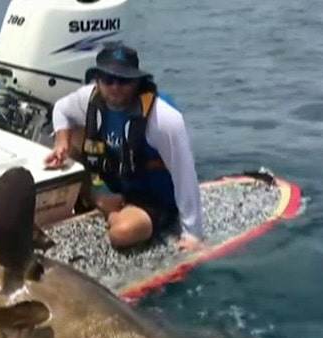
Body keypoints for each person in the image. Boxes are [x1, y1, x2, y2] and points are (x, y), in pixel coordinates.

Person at [44, 44, 205, 250]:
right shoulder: (90, 97)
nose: (115, 87)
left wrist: (193, 234)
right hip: (116, 183)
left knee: (120, 234)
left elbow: (185, 174)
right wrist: (62, 143)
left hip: (152, 198)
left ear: (137, 81)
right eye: (108, 79)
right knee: (73, 132)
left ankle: (106, 208)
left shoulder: (163, 118)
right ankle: (96, 198)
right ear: (98, 79)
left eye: (123, 80)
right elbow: (61, 110)